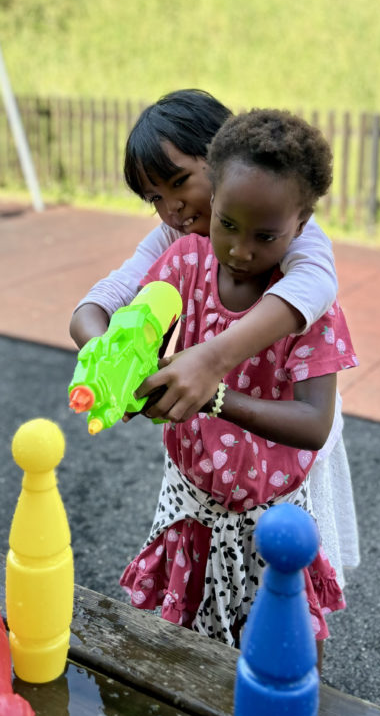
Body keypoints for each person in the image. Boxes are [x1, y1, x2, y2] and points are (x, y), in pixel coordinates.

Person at [70, 88, 359, 588]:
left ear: (222, 158)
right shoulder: (182, 243)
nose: (172, 208)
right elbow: (108, 298)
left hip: (283, 468)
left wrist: (208, 366)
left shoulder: (289, 231)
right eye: (154, 197)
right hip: (206, 466)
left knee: (288, 590)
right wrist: (106, 353)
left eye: (179, 182)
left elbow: (316, 287)